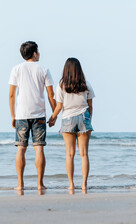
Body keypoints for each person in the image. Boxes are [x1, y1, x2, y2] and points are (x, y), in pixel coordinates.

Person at [9, 41, 56, 191]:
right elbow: (51, 95)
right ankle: (40, 184)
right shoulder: (43, 69)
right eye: (38, 51)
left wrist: (12, 115)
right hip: (39, 114)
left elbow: (11, 95)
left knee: (20, 149)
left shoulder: (16, 69)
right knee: (39, 149)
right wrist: (54, 114)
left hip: (21, 114)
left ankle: (20, 184)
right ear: (35, 53)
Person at [48, 57, 95, 193]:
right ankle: (84, 185)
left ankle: (71, 184)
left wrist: (52, 118)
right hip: (83, 117)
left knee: (69, 154)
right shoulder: (86, 84)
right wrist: (88, 119)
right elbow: (90, 105)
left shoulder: (61, 86)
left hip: (67, 118)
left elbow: (59, 107)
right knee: (84, 154)